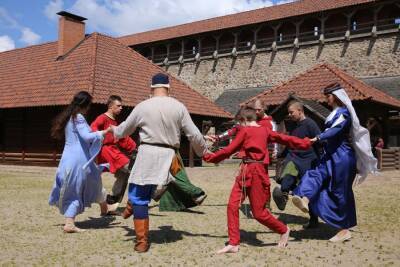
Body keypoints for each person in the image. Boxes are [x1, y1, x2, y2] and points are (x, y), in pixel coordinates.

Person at [111, 73, 208, 252]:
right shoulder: (179, 107)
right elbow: (194, 134)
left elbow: (124, 130)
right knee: (156, 186)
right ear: (169, 87)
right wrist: (204, 152)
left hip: (147, 153)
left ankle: (141, 242)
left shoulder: (142, 106)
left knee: (139, 196)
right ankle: (134, 205)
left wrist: (113, 131)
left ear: (151, 87)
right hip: (170, 155)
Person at [203, 107, 311, 253]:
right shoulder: (264, 130)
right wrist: (304, 143)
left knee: (258, 213)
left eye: (239, 123)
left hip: (255, 173)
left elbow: (228, 150)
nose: (238, 126)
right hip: (246, 171)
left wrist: (208, 157)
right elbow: (286, 138)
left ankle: (284, 230)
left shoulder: (245, 130)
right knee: (233, 205)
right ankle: (234, 243)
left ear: (243, 120)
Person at [292, 83, 378, 242]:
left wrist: (318, 138)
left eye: (328, 96)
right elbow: (329, 131)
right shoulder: (334, 113)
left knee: (340, 192)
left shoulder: (345, 113)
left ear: (336, 96)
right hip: (330, 154)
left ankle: (344, 230)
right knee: (315, 174)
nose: (326, 99)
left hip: (342, 157)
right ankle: (305, 197)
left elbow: (335, 130)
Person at [49, 91, 112, 233]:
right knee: (77, 187)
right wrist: (104, 132)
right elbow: (87, 136)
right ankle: (70, 223)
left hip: (68, 158)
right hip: (78, 160)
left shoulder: (69, 118)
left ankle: (103, 206)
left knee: (86, 181)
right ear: (85, 104)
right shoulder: (78, 117)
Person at [272, 101, 321, 228]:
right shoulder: (293, 126)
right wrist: (280, 155)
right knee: (288, 172)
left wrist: (321, 160)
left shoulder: (310, 124)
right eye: (288, 112)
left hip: (308, 160)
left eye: (291, 112)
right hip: (294, 157)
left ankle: (314, 219)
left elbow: (319, 141)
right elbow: (290, 144)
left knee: (307, 191)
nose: (289, 114)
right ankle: (283, 196)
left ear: (300, 110)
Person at [91, 95, 137, 209]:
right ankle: (152, 192)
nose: (121, 108)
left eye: (121, 105)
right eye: (118, 105)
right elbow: (92, 130)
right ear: (111, 106)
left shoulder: (115, 122)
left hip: (113, 150)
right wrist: (100, 137)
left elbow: (123, 138)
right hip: (106, 151)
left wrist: (135, 148)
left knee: (124, 173)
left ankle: (113, 199)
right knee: (131, 168)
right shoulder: (102, 118)